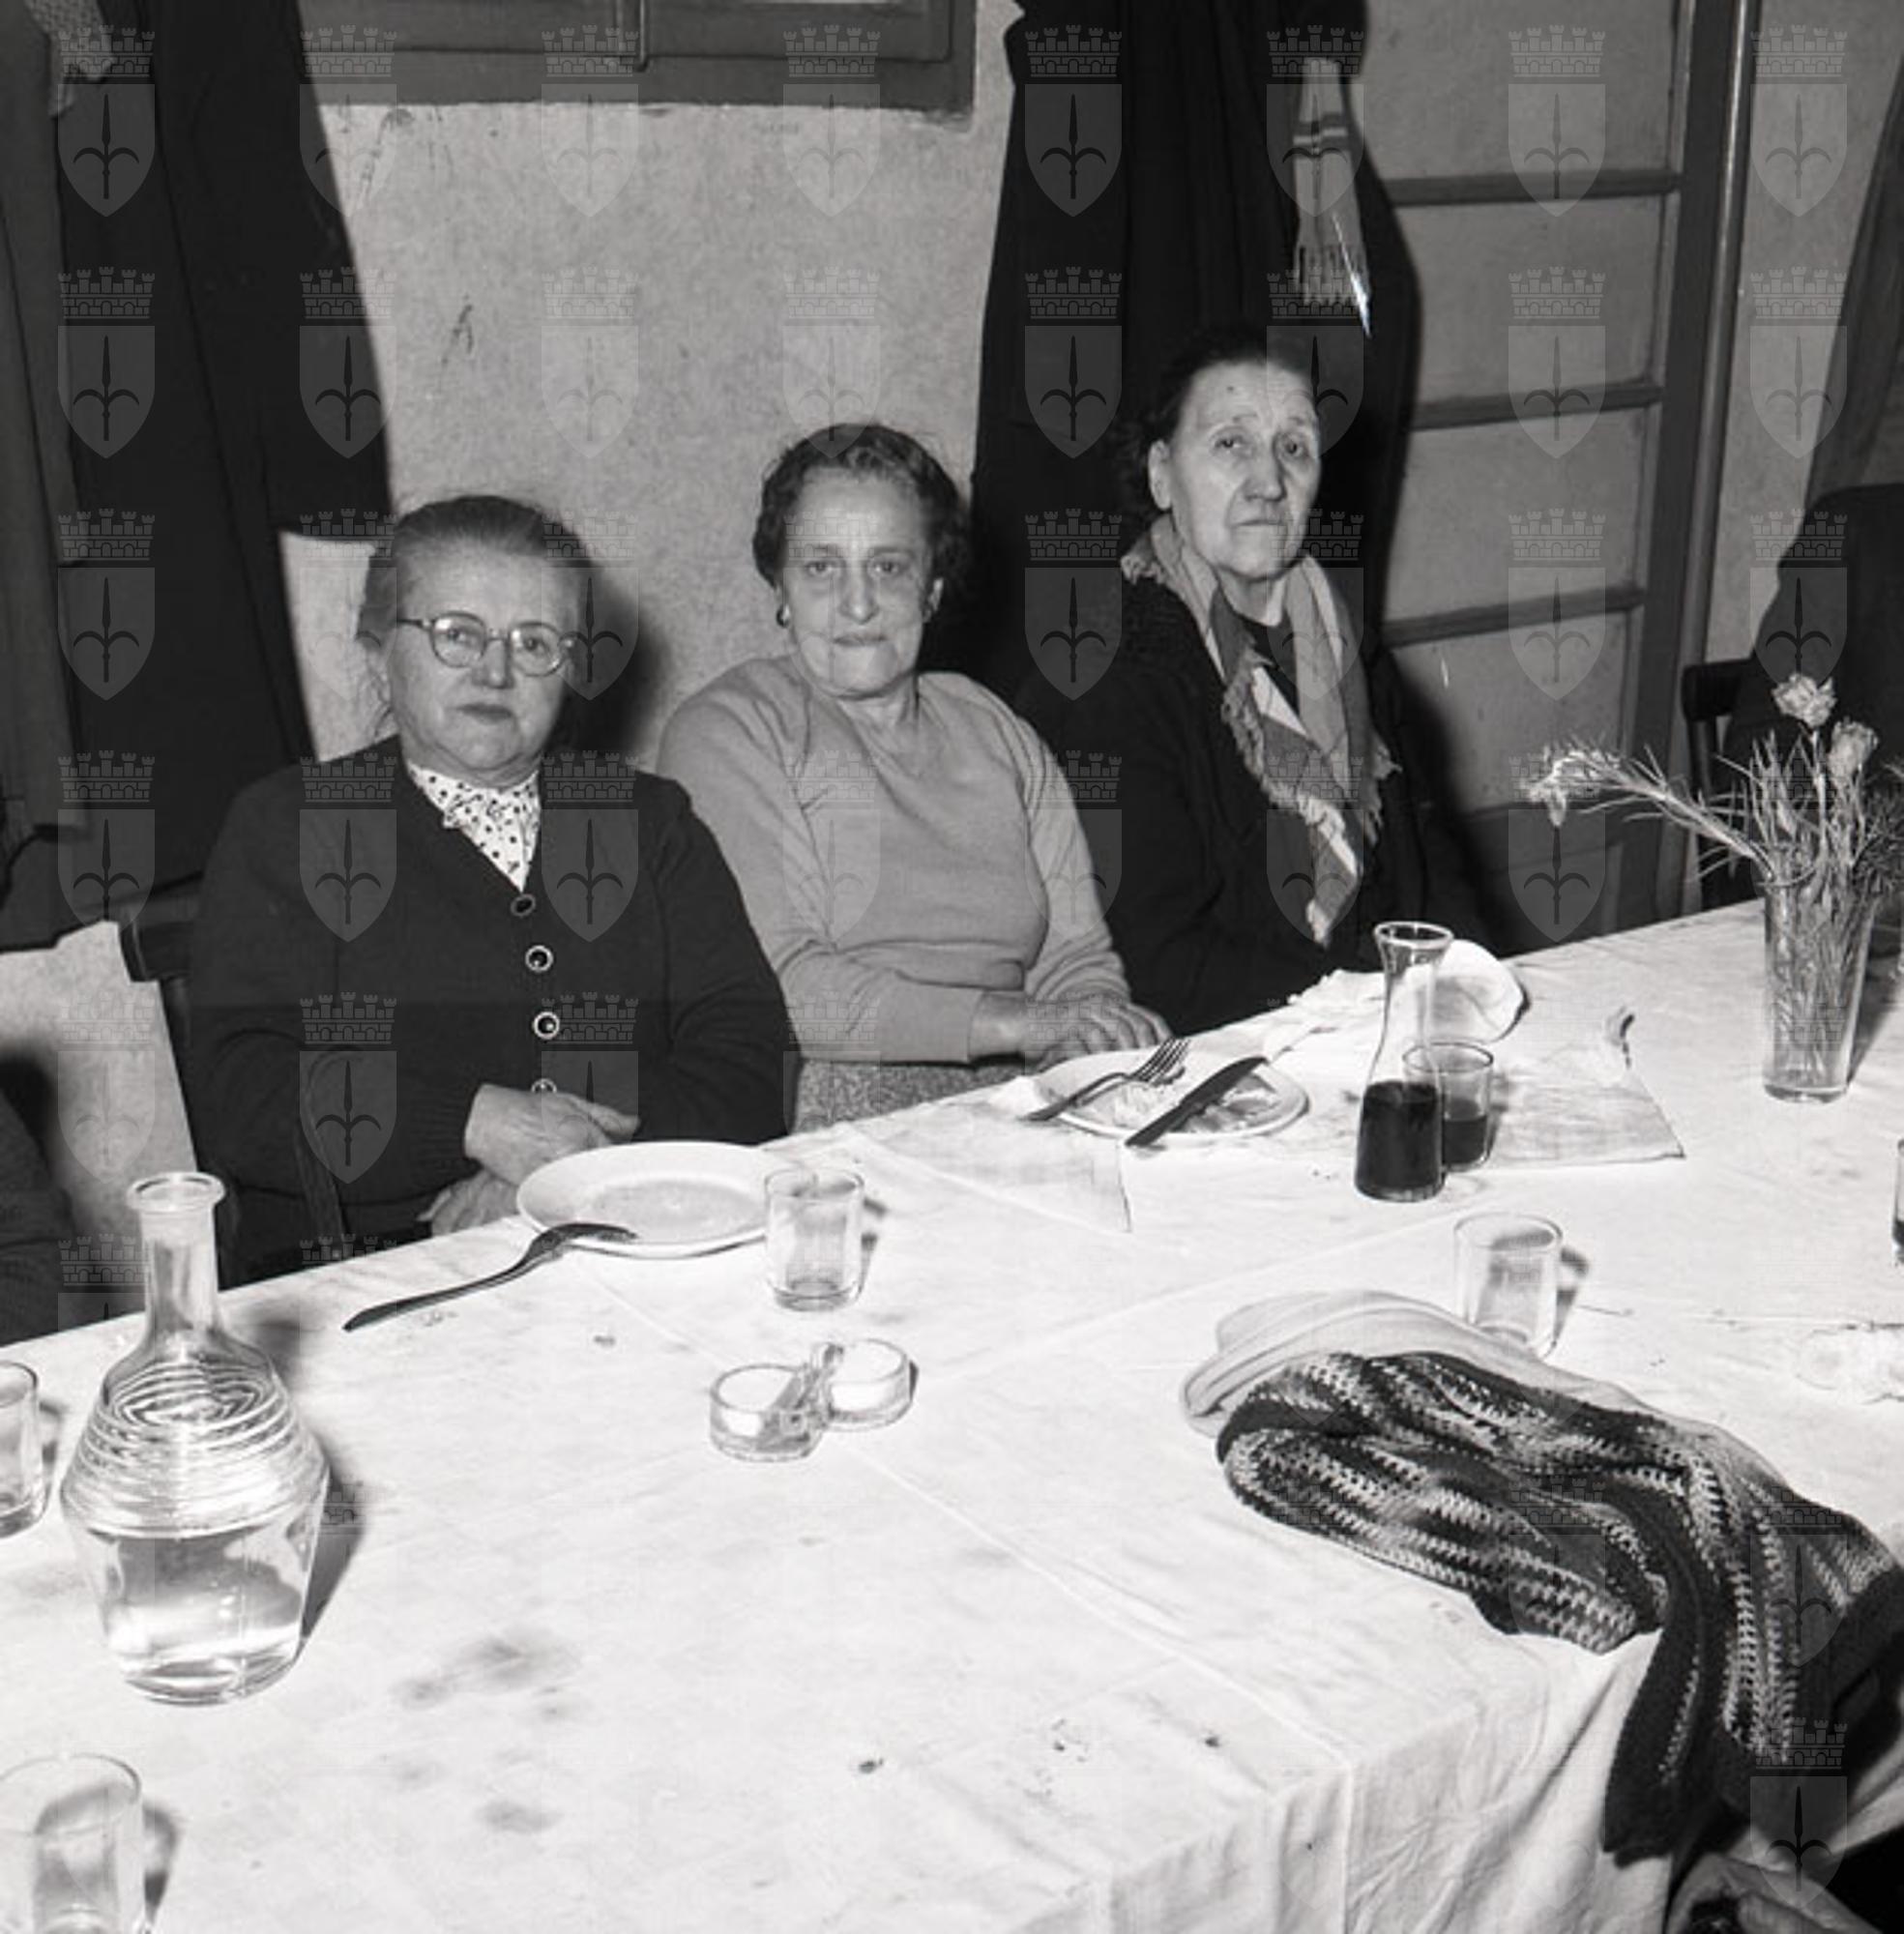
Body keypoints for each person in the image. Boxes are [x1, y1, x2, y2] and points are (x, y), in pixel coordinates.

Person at [190, 496, 788, 1280]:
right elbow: (243, 1094)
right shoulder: (285, 827)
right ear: (378, 647)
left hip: (632, 1236)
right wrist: (473, 1122)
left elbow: (748, 1057)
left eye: (534, 642)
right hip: (367, 1276)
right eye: (457, 633)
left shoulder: (651, 822)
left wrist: (566, 1173)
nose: (495, 671)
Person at [659, 425, 1163, 1129]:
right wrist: (1021, 1026)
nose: (857, 604)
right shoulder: (731, 728)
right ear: (780, 586)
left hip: (1021, 1095)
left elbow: (1076, 960)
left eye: (889, 567)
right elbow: (788, 988)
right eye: (821, 567)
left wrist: (1093, 1036)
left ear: (932, 588)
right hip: (821, 1109)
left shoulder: (995, 726)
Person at [1023, 322, 1479, 1034]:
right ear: (1160, 474)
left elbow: (1435, 875)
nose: (1268, 483)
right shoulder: (1105, 671)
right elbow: (1152, 960)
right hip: (1212, 1049)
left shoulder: (1344, 645)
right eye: (1230, 443)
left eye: (1294, 448)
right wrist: (1373, 1007)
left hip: (1373, 1026)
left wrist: (1473, 985)